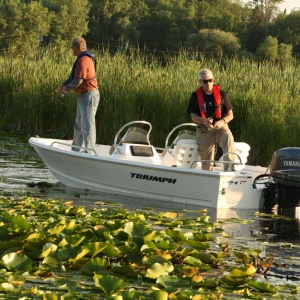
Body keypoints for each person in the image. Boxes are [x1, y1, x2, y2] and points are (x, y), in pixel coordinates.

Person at [55, 37, 100, 153]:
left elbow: (77, 81)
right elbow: (74, 78)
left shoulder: (83, 61)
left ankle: (89, 152)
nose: (71, 50)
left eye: (72, 48)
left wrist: (66, 89)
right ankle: (75, 151)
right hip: (83, 96)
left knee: (87, 125)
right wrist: (63, 84)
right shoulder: (83, 59)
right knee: (79, 124)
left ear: (76, 48)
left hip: (89, 96)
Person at [187, 69, 235, 171]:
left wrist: (222, 121)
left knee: (228, 136)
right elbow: (193, 116)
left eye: (210, 80)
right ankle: (208, 175)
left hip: (220, 127)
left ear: (213, 80)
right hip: (204, 129)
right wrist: (203, 121)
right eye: (205, 81)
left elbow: (230, 115)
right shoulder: (195, 95)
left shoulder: (222, 94)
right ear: (200, 82)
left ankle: (230, 169)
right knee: (207, 160)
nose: (208, 83)